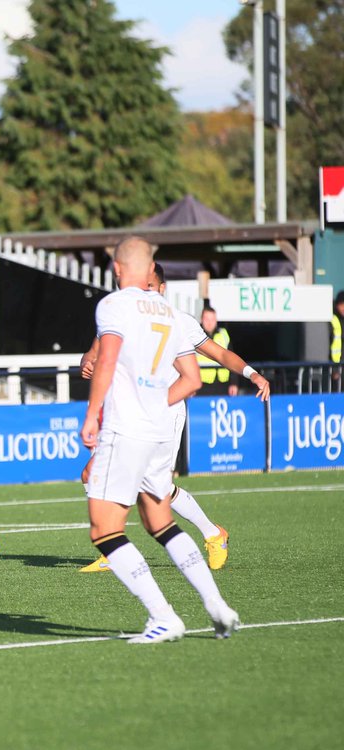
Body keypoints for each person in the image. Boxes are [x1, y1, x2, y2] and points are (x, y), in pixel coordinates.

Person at [81, 237, 238, 643]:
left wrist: (92, 414)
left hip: (125, 428)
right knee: (160, 522)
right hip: (158, 430)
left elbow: (107, 358)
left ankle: (164, 616)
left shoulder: (113, 305)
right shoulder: (170, 312)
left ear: (117, 268)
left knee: (104, 530)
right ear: (151, 270)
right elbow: (193, 378)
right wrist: (153, 401)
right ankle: (217, 605)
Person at [78, 263, 271, 573]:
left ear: (162, 289)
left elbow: (219, 354)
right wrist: (87, 362)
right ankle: (114, 550)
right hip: (129, 411)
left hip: (165, 411)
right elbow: (93, 353)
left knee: (153, 487)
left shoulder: (178, 321)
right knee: (97, 475)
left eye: (150, 287)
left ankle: (211, 534)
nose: (145, 293)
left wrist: (253, 374)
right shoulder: (119, 317)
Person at [196, 307, 234, 396]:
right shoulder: (195, 336)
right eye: (207, 319)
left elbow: (231, 359)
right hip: (202, 385)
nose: (209, 323)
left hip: (223, 384)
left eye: (212, 319)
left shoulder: (223, 334)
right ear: (201, 320)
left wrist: (234, 383)